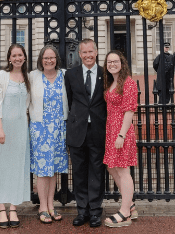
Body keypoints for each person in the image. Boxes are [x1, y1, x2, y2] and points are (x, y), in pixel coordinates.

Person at [0, 44, 32, 229]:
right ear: (9, 58)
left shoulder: (28, 77)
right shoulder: (2, 76)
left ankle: (13, 206)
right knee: (1, 166)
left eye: (20, 55)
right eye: (14, 55)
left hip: (21, 128)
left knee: (17, 166)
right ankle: (1, 207)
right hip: (4, 127)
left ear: (24, 57)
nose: (17, 58)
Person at [65, 39, 108, 228]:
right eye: (84, 52)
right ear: (80, 54)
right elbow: (69, 99)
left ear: (96, 52)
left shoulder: (105, 74)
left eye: (91, 52)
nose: (88, 55)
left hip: (98, 129)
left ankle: (96, 211)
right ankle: (82, 211)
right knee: (80, 172)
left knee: (97, 172)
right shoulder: (71, 74)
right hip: (77, 130)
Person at [28, 45, 69, 224]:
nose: (49, 61)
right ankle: (42, 207)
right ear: (41, 60)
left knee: (53, 170)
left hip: (59, 128)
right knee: (42, 170)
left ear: (57, 59)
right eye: (46, 58)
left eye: (52, 58)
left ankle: (51, 205)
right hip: (40, 128)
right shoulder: (33, 76)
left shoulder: (65, 75)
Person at [102, 50, 139, 228]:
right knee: (111, 167)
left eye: (115, 61)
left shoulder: (128, 83)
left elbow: (129, 111)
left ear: (122, 63)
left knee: (123, 170)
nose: (112, 64)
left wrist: (121, 135)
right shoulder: (111, 82)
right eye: (109, 62)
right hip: (111, 130)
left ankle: (125, 212)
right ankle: (130, 203)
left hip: (121, 131)